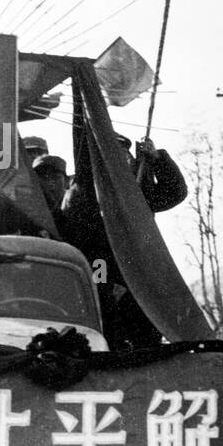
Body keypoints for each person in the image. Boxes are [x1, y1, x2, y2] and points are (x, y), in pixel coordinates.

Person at [60, 132, 187, 350]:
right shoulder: (85, 189)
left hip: (135, 268)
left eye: (124, 154)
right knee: (102, 300)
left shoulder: (138, 194)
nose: (120, 160)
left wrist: (157, 159)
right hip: (99, 265)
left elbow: (174, 192)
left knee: (143, 320)